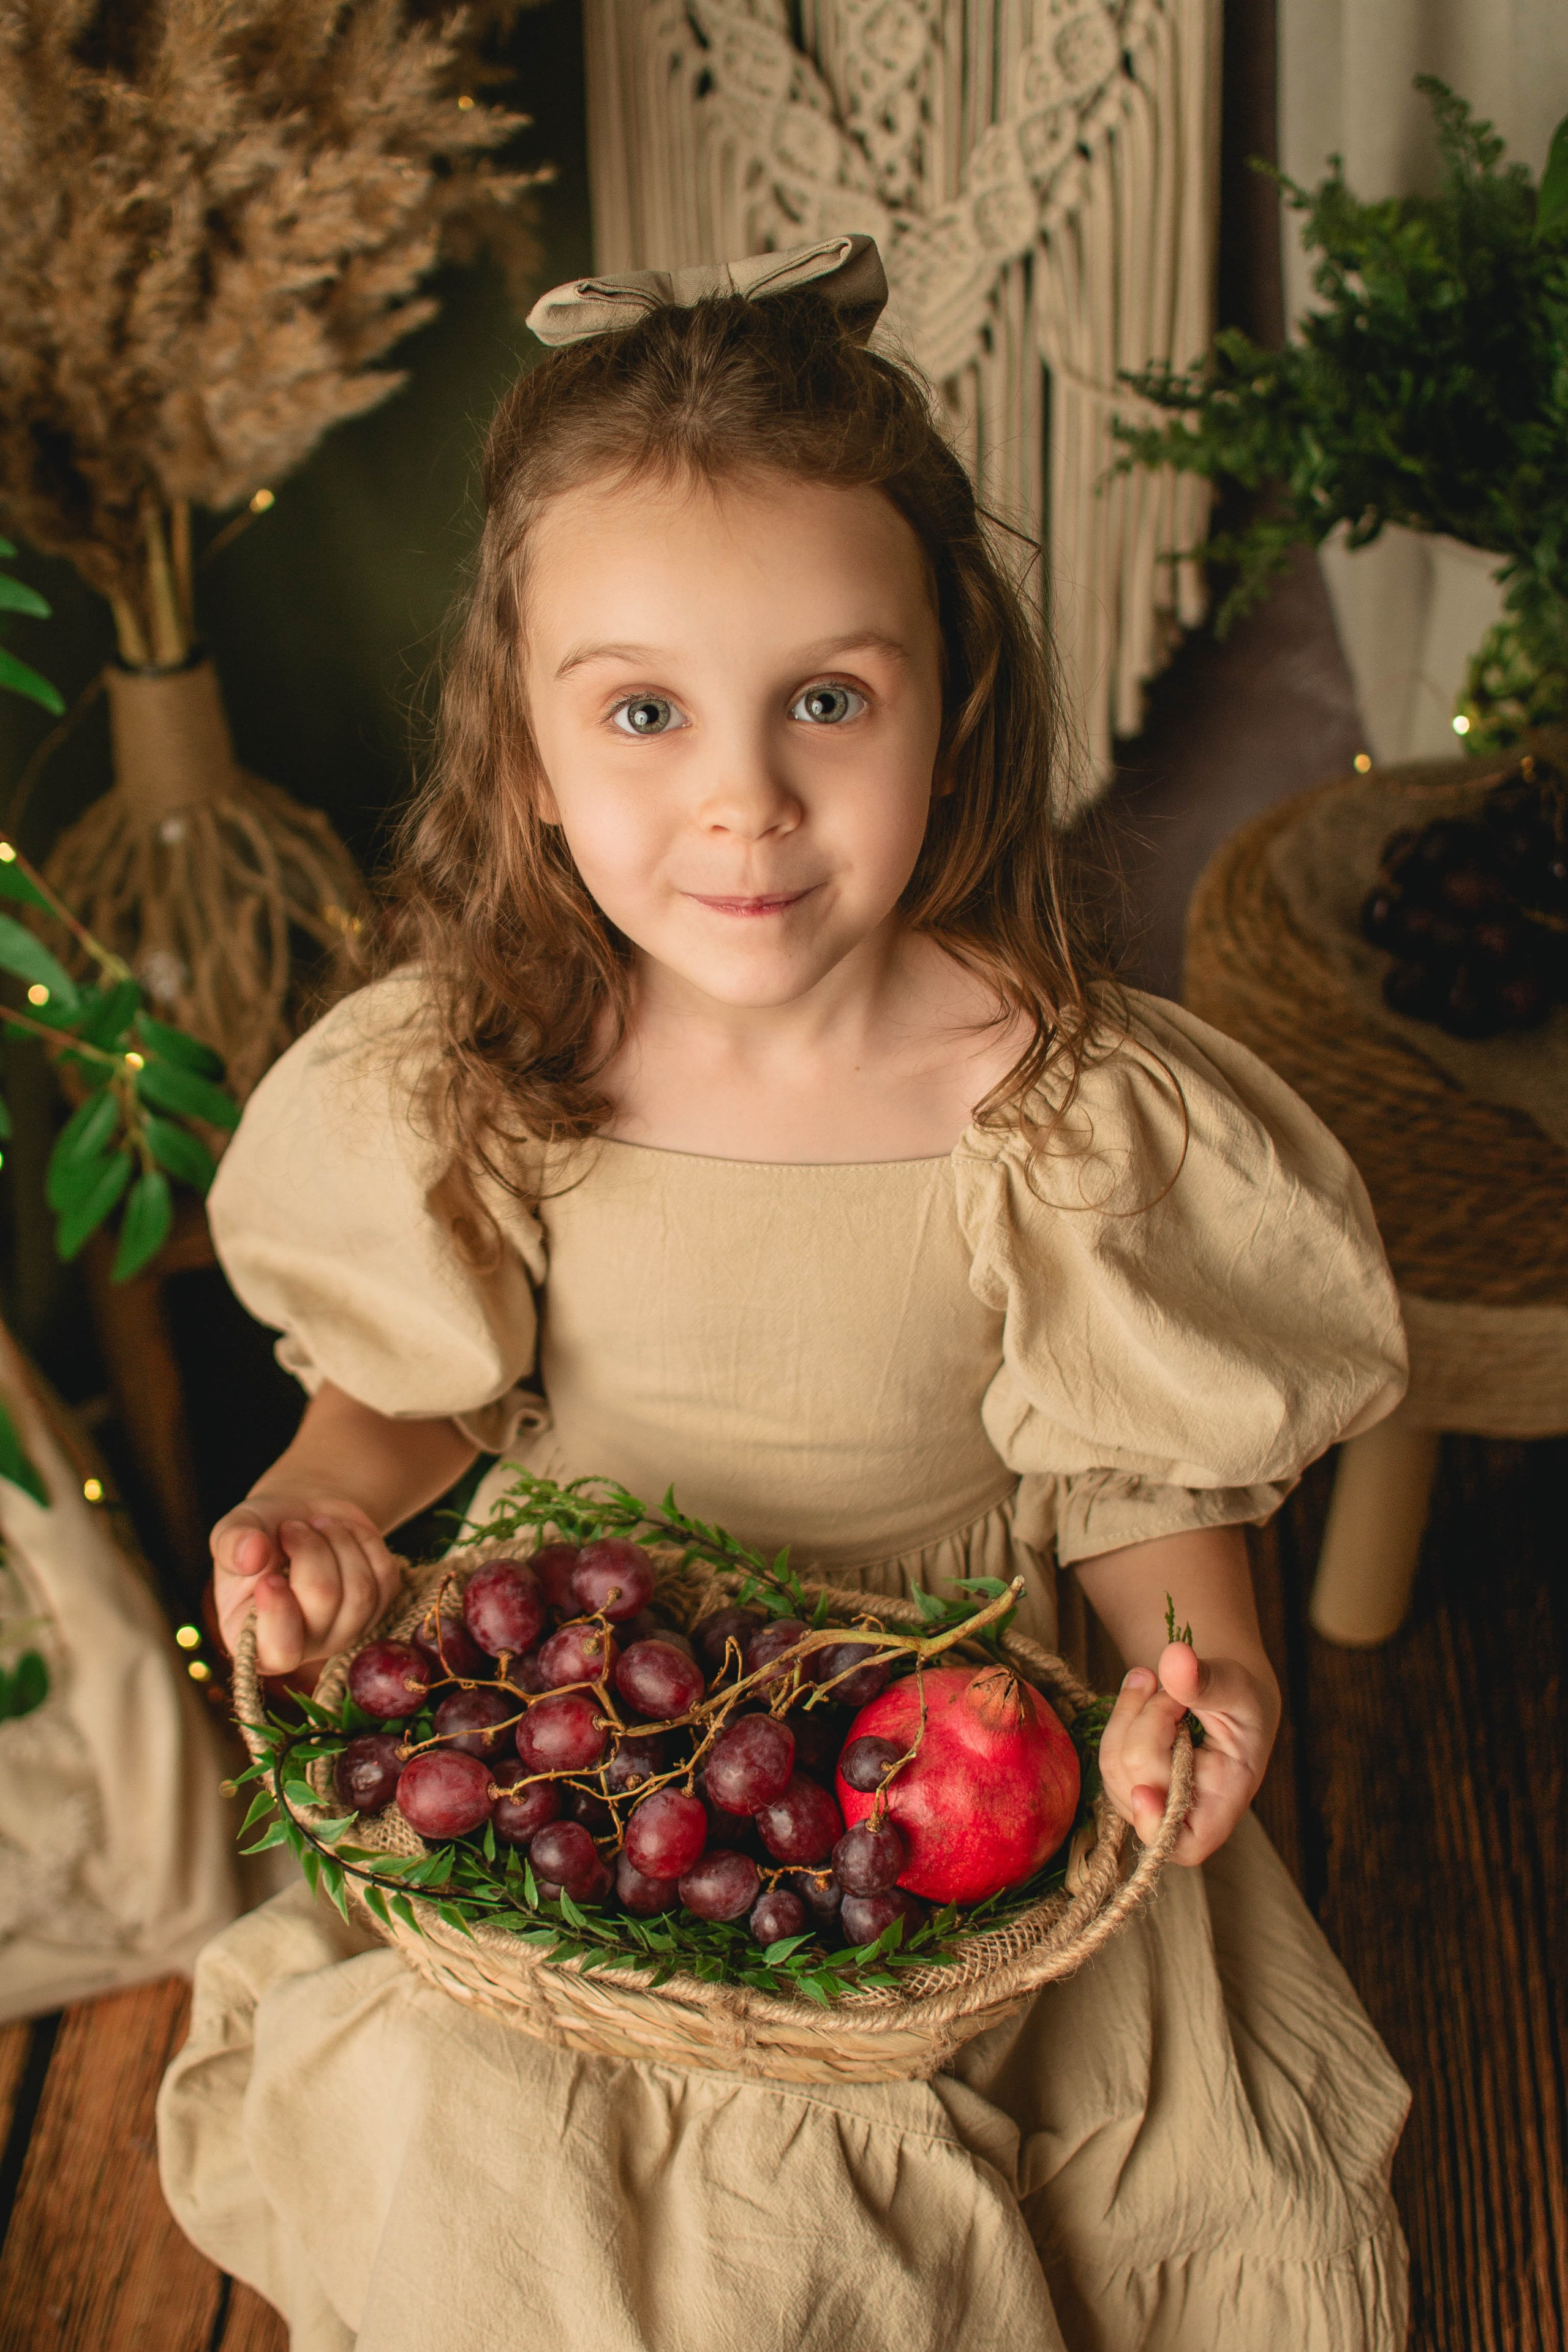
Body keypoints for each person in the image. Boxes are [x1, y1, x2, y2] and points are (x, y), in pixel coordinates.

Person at [158, 236, 1412, 2351]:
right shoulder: (486, 1079)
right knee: (519, 2199)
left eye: (826, 698)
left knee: (1103, 2197)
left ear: (955, 705)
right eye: (644, 712)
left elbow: (1130, 1478)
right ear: (530, 755)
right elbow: (413, 1395)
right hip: (598, 1738)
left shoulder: (1062, 1109)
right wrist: (326, 1499)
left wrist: (1212, 1675)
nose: (744, 797)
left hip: (944, 1735)